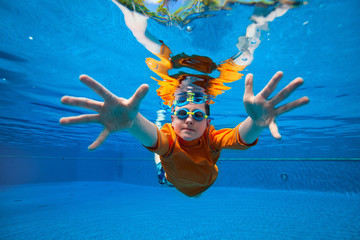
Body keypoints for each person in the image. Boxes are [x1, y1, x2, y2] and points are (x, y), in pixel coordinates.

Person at [60, 72, 309, 197]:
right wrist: (132, 121)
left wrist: (254, 122)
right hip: (174, 181)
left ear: (208, 122)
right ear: (172, 118)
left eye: (198, 116)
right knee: (162, 157)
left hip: (205, 183)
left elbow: (239, 138)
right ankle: (162, 167)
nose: (190, 119)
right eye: (181, 114)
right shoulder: (168, 137)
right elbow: (152, 137)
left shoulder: (211, 138)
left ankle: (162, 166)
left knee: (162, 158)